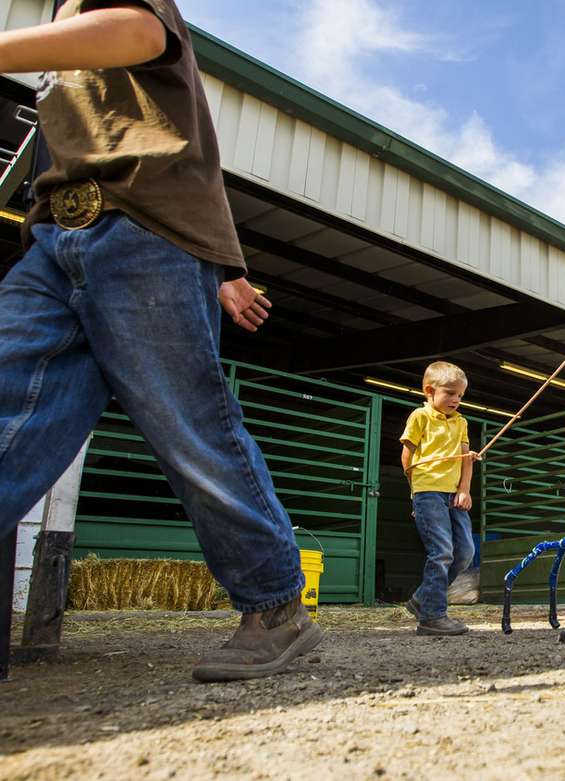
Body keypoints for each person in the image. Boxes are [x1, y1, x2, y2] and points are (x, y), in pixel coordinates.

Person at [0, 0, 322, 680]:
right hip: (54, 238)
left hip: (140, 230)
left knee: (188, 426)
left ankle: (275, 606)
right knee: (9, 410)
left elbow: (142, 33)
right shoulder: (59, 20)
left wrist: (217, 261)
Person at [400, 361, 476, 636]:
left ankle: (422, 598)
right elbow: (407, 457)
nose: (456, 399)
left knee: (465, 553)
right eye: (450, 393)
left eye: (460, 395)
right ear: (430, 391)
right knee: (441, 551)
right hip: (428, 491)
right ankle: (432, 616)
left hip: (454, 494)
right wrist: (416, 495)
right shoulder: (420, 417)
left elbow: (467, 459)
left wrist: (464, 489)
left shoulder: (461, 422)